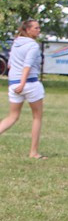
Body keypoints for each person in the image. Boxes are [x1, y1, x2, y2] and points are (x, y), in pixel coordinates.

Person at [0, 19, 46, 159]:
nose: (39, 30)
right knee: (37, 117)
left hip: (13, 83)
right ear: (28, 30)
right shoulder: (32, 45)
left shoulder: (16, 43)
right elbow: (27, 65)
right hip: (29, 83)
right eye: (36, 28)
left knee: (12, 116)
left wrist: (17, 83)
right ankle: (33, 152)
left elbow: (10, 65)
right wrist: (23, 82)